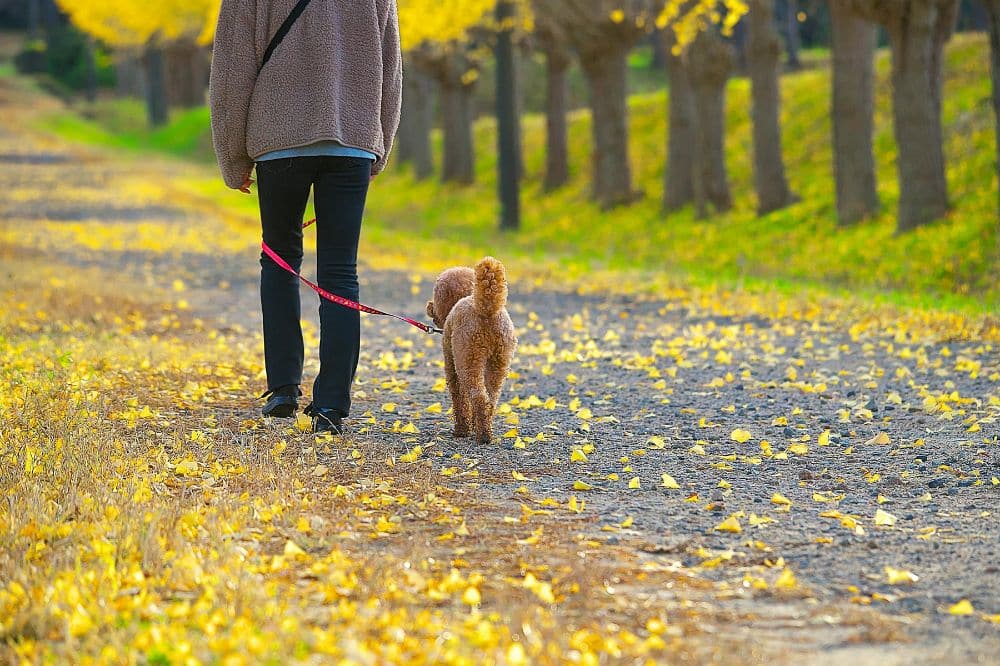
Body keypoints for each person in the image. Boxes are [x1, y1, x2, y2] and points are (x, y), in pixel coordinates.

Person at [209, 0, 402, 434]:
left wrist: (232, 157)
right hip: (352, 142)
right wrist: (379, 144)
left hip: (279, 140)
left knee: (279, 260)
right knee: (340, 271)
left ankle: (282, 388)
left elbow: (231, 72)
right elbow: (391, 67)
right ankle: (332, 404)